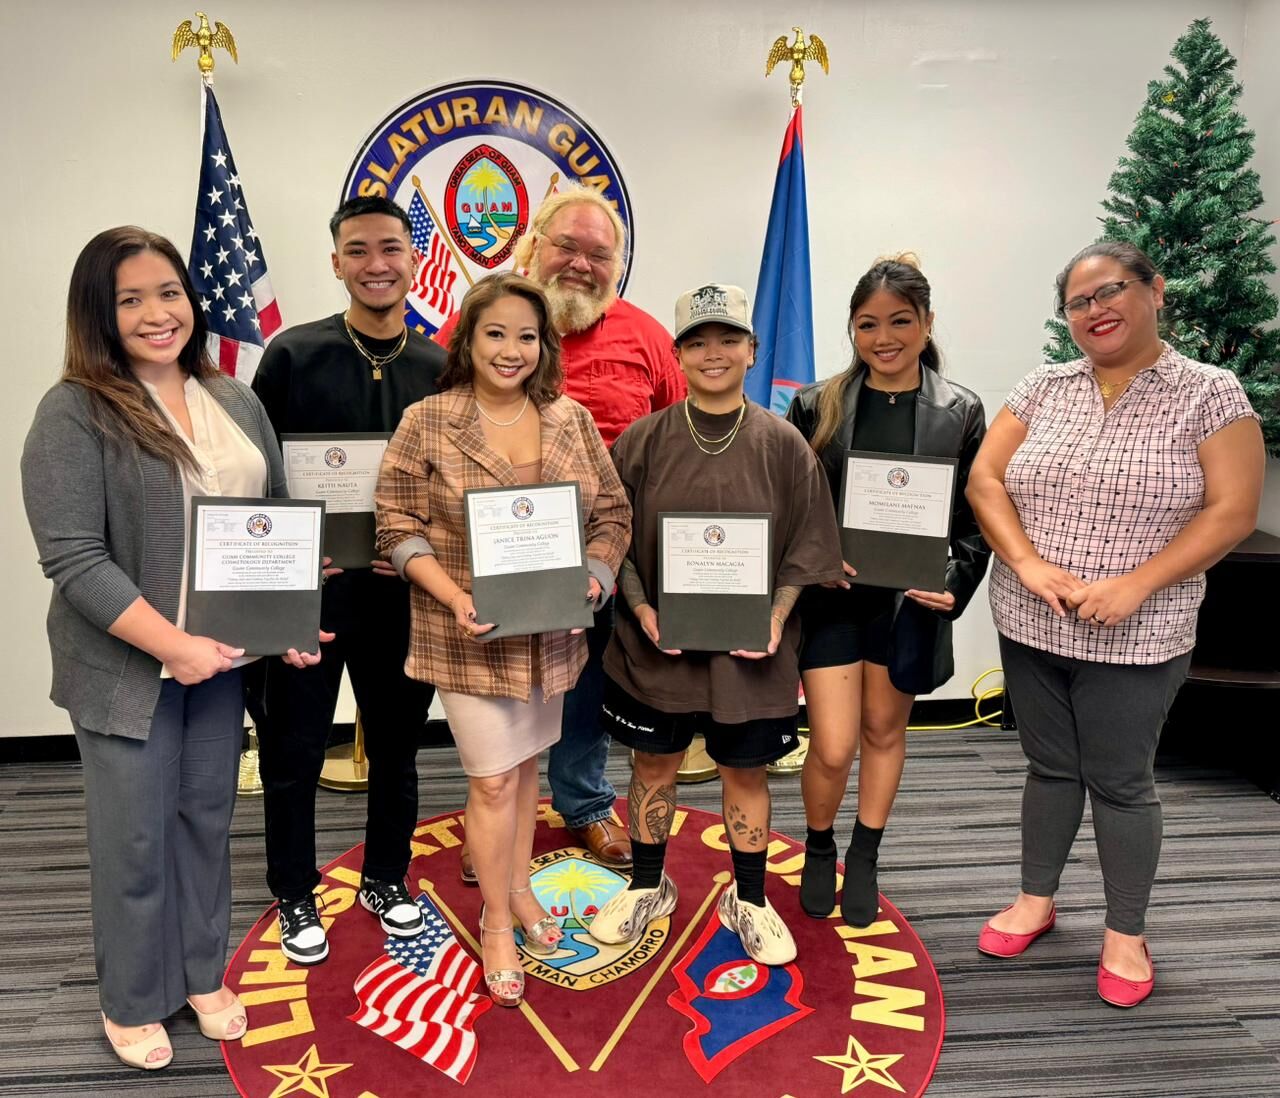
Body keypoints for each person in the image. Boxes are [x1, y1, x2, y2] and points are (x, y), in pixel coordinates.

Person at [20, 227, 325, 1069]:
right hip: (130, 669)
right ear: (99, 314)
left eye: (169, 293)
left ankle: (198, 971)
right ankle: (133, 996)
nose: (159, 313)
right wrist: (174, 646)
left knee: (205, 822)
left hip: (222, 667)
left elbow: (269, 515)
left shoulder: (231, 397)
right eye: (131, 299)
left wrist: (285, 623)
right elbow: (74, 559)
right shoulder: (74, 410)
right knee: (136, 838)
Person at [966, 241, 1264, 1007]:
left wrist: (1137, 584)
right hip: (1031, 622)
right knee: (1050, 768)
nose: (1096, 310)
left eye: (1112, 291)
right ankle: (1036, 899)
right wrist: (1029, 565)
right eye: (1078, 302)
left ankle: (1125, 931)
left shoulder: (1209, 393)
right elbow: (985, 479)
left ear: (1155, 291)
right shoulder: (1044, 386)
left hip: (1142, 631)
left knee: (1123, 784)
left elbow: (1232, 510)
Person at [376, 271, 631, 1005]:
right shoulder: (428, 418)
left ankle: (519, 889)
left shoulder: (570, 419)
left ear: (544, 346)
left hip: (551, 637)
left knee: (524, 774)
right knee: (490, 779)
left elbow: (612, 514)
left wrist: (595, 573)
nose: (511, 349)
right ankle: (493, 919)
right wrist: (453, 596)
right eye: (496, 333)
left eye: (527, 336)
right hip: (466, 634)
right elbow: (395, 524)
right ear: (468, 339)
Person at [588, 284, 843, 965]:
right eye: (697, 342)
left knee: (746, 773)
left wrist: (776, 617)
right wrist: (639, 608)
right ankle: (649, 885)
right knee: (653, 764)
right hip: (656, 648)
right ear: (678, 354)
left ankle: (749, 900)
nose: (713, 353)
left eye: (727, 339)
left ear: (752, 350)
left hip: (750, 654)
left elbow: (806, 549)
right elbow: (617, 536)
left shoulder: (785, 445)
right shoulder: (643, 441)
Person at [436, 184, 684, 872]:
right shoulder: (482, 324)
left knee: (585, 686)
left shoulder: (646, 336)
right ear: (533, 245)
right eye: (567, 245)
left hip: (606, 551)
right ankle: (490, 814)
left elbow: (680, 434)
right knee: (498, 685)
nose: (580, 263)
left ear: (617, 266)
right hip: (497, 550)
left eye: (598, 253)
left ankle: (582, 803)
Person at [250, 196, 445, 965]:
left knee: (398, 745)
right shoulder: (291, 357)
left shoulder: (441, 368)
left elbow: (453, 485)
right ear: (335, 262)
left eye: (391, 249)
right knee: (292, 747)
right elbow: (257, 482)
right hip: (311, 591)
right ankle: (294, 888)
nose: (376, 264)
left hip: (402, 593)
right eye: (358, 250)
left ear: (413, 259)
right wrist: (281, 572)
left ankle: (386, 878)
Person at [785, 255, 990, 927]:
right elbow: (791, 505)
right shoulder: (817, 403)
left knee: (883, 730)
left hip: (907, 603)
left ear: (926, 323)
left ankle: (866, 854)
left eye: (900, 321)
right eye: (867, 324)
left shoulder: (960, 410)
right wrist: (813, 560)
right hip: (832, 598)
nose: (884, 337)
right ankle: (820, 846)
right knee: (834, 744)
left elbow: (974, 517)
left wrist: (955, 580)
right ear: (852, 329)